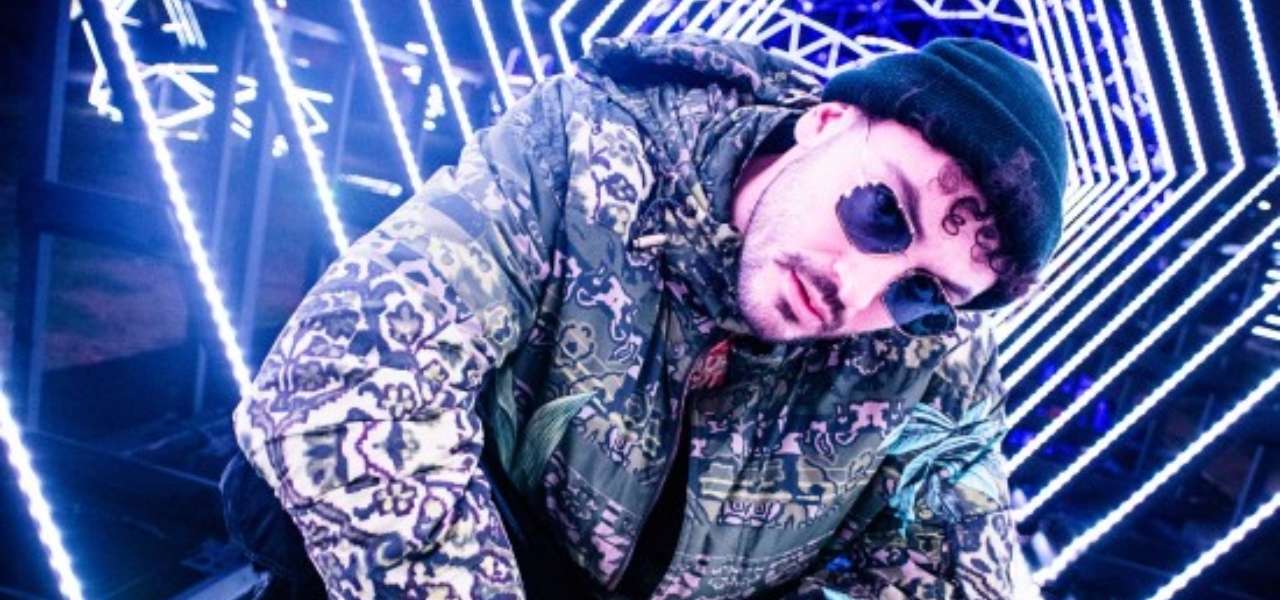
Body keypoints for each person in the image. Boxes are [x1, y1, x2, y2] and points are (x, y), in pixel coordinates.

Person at [222, 32, 1066, 599]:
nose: (858, 287)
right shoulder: (590, 149)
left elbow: (952, 570)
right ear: (825, 122)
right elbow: (346, 384)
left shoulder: (930, 353)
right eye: (883, 212)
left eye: (922, 290)